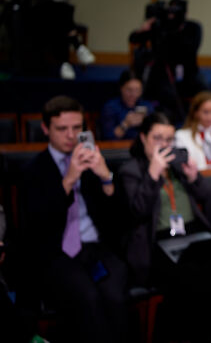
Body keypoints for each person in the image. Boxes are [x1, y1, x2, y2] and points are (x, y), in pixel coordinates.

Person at [118, 112, 211, 342]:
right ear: (143, 137)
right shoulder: (131, 171)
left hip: (191, 232)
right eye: (157, 138)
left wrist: (194, 177)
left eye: (169, 139)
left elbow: (206, 196)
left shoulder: (177, 165)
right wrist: (153, 174)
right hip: (158, 240)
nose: (164, 145)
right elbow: (136, 212)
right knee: (192, 277)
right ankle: (204, 332)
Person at [19, 95, 128, 343]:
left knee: (114, 297)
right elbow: (37, 227)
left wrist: (106, 179)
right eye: (62, 129)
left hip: (95, 247)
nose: (70, 135)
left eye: (77, 128)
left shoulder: (92, 163)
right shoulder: (33, 171)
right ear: (46, 129)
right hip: (56, 252)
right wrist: (67, 181)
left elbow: (119, 221)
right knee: (87, 298)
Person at [129, 0, 209, 122]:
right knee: (164, 93)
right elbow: (133, 39)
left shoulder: (193, 27)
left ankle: (207, 119)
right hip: (163, 73)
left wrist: (170, 32)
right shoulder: (161, 26)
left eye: (175, 12)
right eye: (170, 12)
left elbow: (190, 48)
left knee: (207, 93)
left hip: (189, 73)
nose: (172, 16)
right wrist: (143, 29)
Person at [100, 69, 155, 140]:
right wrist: (125, 124)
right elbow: (108, 138)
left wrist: (147, 123)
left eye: (137, 90)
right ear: (121, 88)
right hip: (118, 148)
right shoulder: (111, 107)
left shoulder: (147, 106)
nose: (133, 94)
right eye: (129, 90)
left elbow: (156, 133)